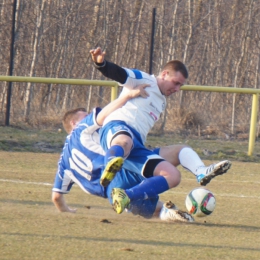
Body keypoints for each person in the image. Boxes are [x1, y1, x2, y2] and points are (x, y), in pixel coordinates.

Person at [90, 47, 231, 214]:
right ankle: (110, 163)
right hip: (116, 129)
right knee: (125, 141)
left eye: (181, 86)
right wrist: (101, 63)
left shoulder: (162, 101)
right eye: (176, 83)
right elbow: (119, 73)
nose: (177, 89)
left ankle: (128, 195)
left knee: (173, 174)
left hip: (136, 147)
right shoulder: (144, 79)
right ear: (164, 74)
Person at [52, 85, 194, 222]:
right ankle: (195, 171)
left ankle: (167, 212)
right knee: (170, 159)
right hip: (123, 171)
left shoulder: (63, 163)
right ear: (73, 123)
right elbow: (104, 114)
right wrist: (127, 96)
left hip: (112, 193)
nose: (88, 116)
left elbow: (56, 197)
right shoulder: (82, 128)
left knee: (156, 211)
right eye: (85, 115)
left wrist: (67, 211)